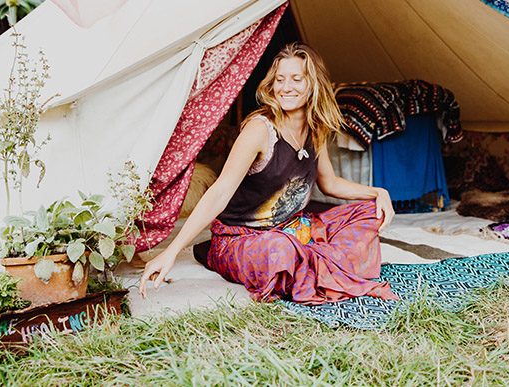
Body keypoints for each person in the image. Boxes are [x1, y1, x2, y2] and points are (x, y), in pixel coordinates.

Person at [139, 43, 398, 303]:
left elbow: (329, 183)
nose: (286, 87)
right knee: (281, 250)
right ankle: (313, 263)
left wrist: (377, 192)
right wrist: (171, 251)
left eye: (297, 79)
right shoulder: (259, 130)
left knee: (367, 213)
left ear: (313, 85)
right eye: (280, 80)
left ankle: (308, 263)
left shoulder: (315, 130)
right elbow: (220, 192)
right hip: (245, 239)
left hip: (295, 229)